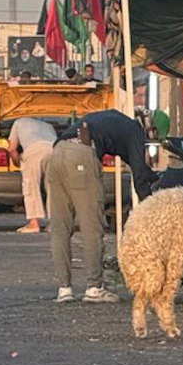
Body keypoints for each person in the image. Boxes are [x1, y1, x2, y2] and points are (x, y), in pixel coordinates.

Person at [47, 110, 155, 304]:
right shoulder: (134, 130)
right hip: (81, 155)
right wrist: (151, 205)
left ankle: (64, 289)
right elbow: (139, 173)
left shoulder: (112, 119)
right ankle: (94, 287)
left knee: (60, 228)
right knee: (92, 227)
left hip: (56, 153)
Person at [7, 116, 57, 234]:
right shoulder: (48, 126)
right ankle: (54, 224)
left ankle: (33, 224)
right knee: (53, 187)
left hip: (34, 149)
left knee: (31, 185)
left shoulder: (18, 122)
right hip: (55, 150)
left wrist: (17, 162)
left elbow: (12, 149)